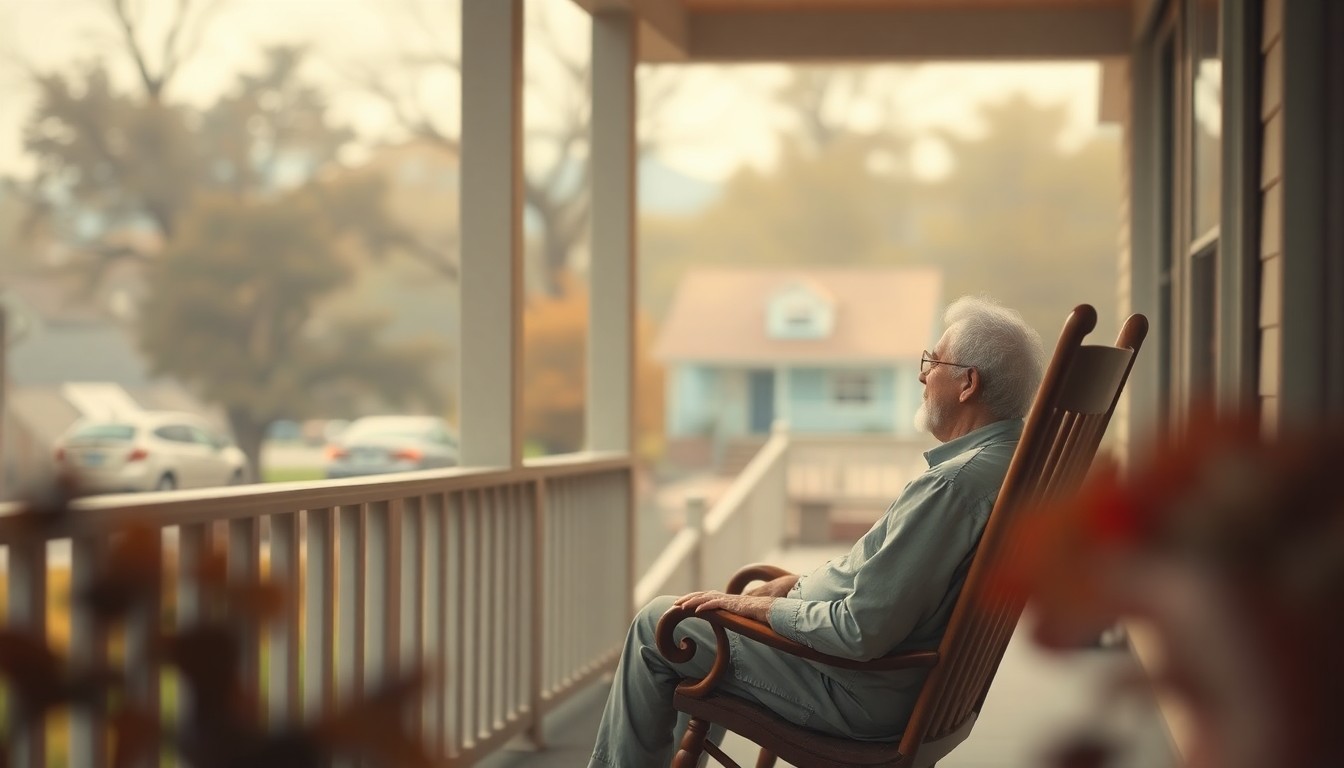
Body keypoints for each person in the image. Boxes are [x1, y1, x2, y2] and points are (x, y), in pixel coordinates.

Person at [589, 295, 1046, 768]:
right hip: (897, 684)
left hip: (854, 691)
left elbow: (859, 630)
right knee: (705, 629)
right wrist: (797, 588)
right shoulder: (1008, 466)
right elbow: (884, 589)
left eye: (933, 362)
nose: (922, 376)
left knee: (663, 624)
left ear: (968, 382)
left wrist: (758, 608)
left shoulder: (953, 486)